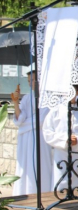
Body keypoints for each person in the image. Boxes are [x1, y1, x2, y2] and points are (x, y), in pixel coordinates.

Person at [10, 66, 53, 195]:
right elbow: (20, 118)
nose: (31, 83)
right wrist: (16, 103)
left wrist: (26, 124)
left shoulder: (48, 97)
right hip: (26, 137)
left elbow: (43, 120)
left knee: (41, 164)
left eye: (33, 80)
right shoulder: (27, 98)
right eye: (29, 80)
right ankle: (24, 192)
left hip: (40, 136)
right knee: (25, 165)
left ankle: (43, 192)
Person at [42, 86, 78, 192]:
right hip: (61, 153)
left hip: (77, 153)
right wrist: (64, 139)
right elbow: (47, 132)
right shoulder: (56, 110)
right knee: (60, 180)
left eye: (72, 91)